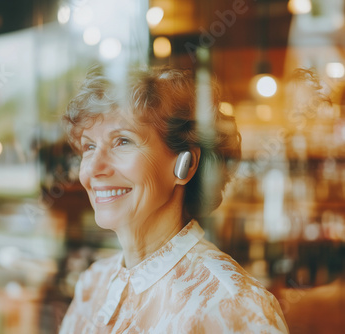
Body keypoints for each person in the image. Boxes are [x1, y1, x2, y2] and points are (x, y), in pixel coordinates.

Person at [59, 66, 288, 333]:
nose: (94, 169)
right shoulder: (92, 284)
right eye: (89, 146)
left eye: (123, 141)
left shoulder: (232, 305)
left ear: (185, 165)